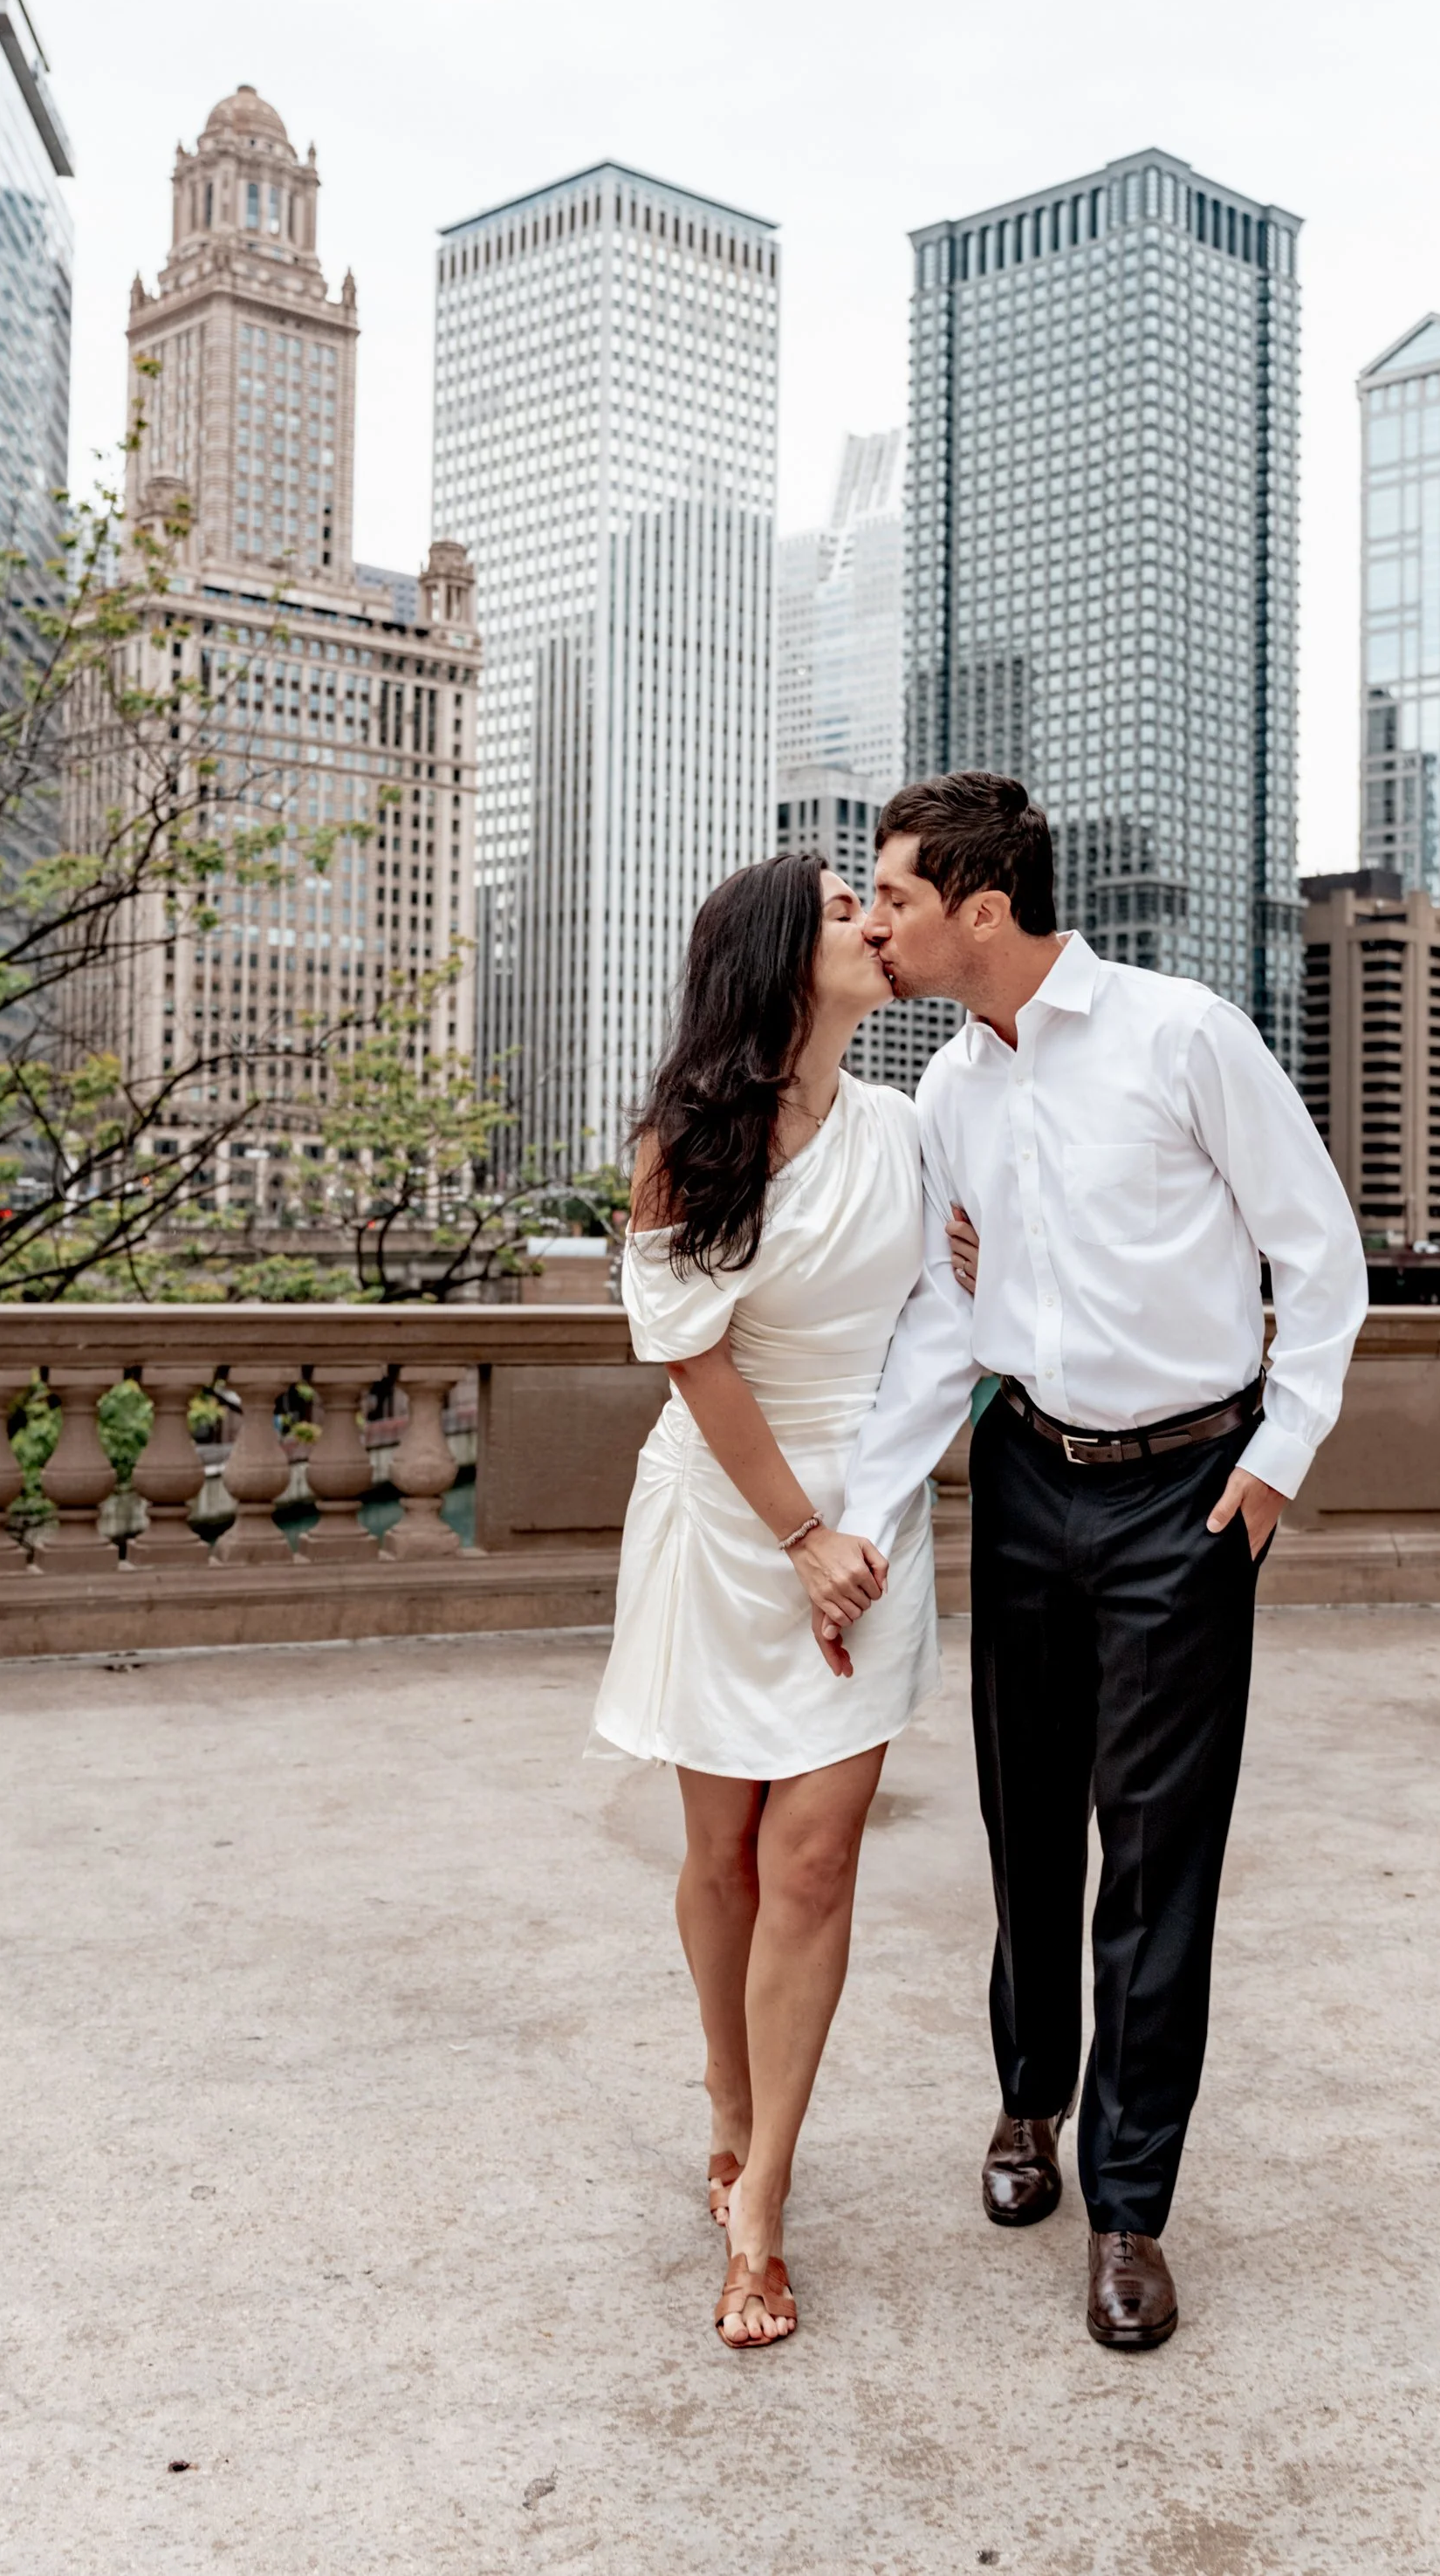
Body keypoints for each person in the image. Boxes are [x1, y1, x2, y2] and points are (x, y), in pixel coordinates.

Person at [839, 772, 1367, 2352]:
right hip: (1024, 1476)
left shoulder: (1182, 1032)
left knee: (1155, 1859)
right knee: (1024, 1832)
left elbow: (1318, 1252)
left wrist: (1273, 1465)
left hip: (1185, 1496)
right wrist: (868, 1513)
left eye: (896, 898)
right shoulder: (949, 1093)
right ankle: (1026, 2107)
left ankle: (1130, 2207)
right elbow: (944, 1326)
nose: (877, 922)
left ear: (982, 910)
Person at [592, 852, 936, 2350]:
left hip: (874, 1521)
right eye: (846, 912)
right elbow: (691, 1352)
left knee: (814, 1862)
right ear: (781, 959)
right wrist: (798, 1534)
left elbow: (954, 1312)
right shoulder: (684, 1143)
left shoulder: (911, 1133)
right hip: (733, 1520)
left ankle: (765, 2202)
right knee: (723, 1850)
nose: (873, 925)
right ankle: (726, 2098)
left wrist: (857, 1521)